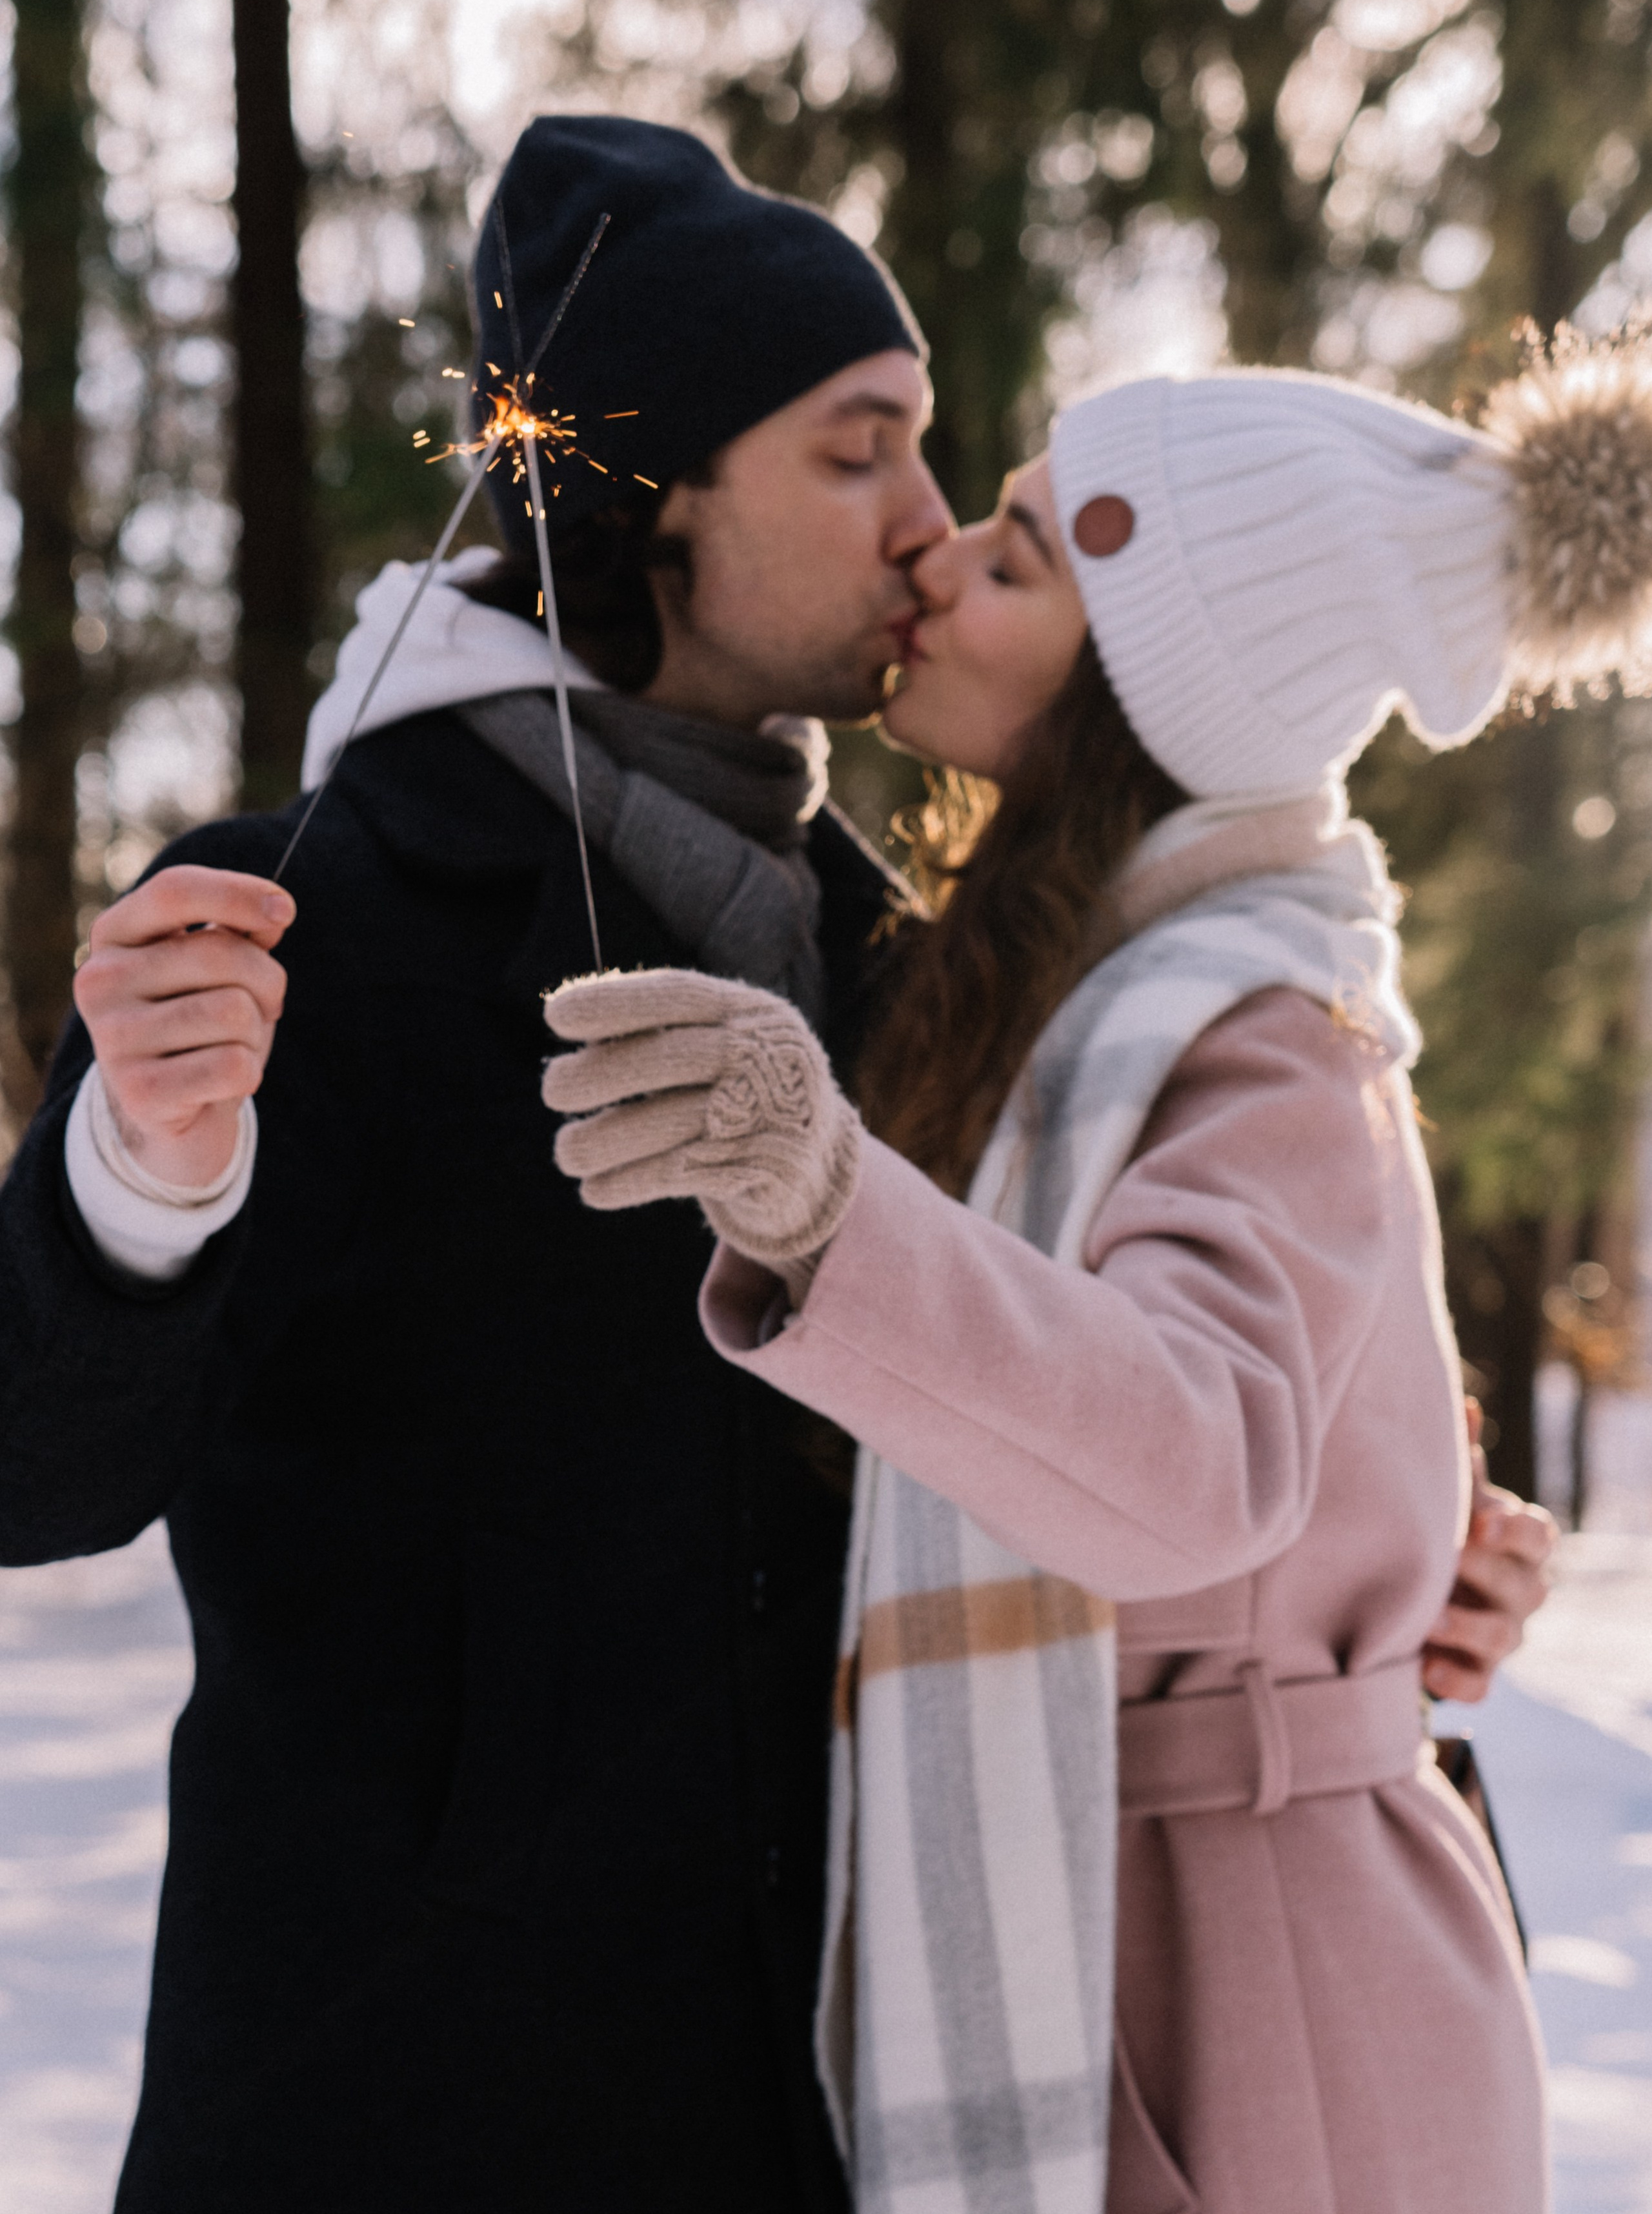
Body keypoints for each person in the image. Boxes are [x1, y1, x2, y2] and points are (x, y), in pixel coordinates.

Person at [0, 118, 1546, 2210]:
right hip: (400, 2119)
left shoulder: (907, 966)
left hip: (823, 2116)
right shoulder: (300, 924)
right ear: (651, 498)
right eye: (860, 452)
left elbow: (1113, 1389)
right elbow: (37, 1465)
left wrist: (1383, 1538)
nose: (929, 526)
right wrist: (138, 1172)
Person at [538, 349, 1634, 2212]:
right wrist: (1425, 1521)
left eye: (1023, 558)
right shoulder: (1071, 991)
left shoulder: (1263, 1028)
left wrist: (828, 1207)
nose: (940, 562)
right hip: (1148, 1914)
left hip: (1262, 1986)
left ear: (1149, 691)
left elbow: (1202, 1459)